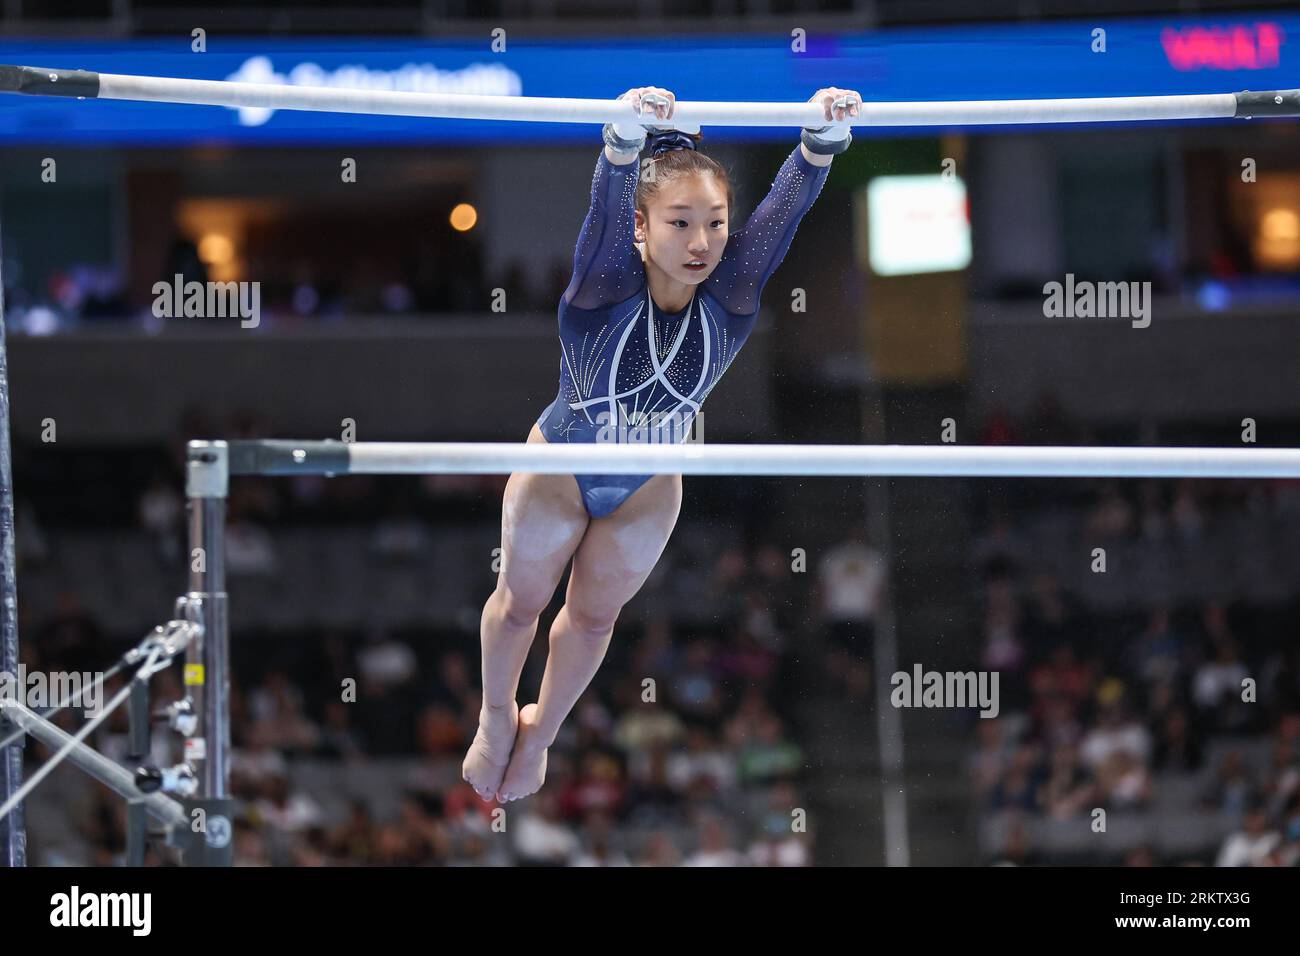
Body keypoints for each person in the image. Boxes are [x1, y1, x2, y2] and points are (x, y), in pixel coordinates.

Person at [463, 84, 861, 802]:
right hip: (561, 468)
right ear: (643, 230)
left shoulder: (734, 289)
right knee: (521, 605)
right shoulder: (604, 284)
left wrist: (818, 142)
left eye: (714, 223)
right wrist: (619, 147)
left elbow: (782, 213)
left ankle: (541, 736)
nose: (703, 241)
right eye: (681, 223)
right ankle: (495, 720)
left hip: (648, 489)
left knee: (592, 618)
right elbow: (603, 213)